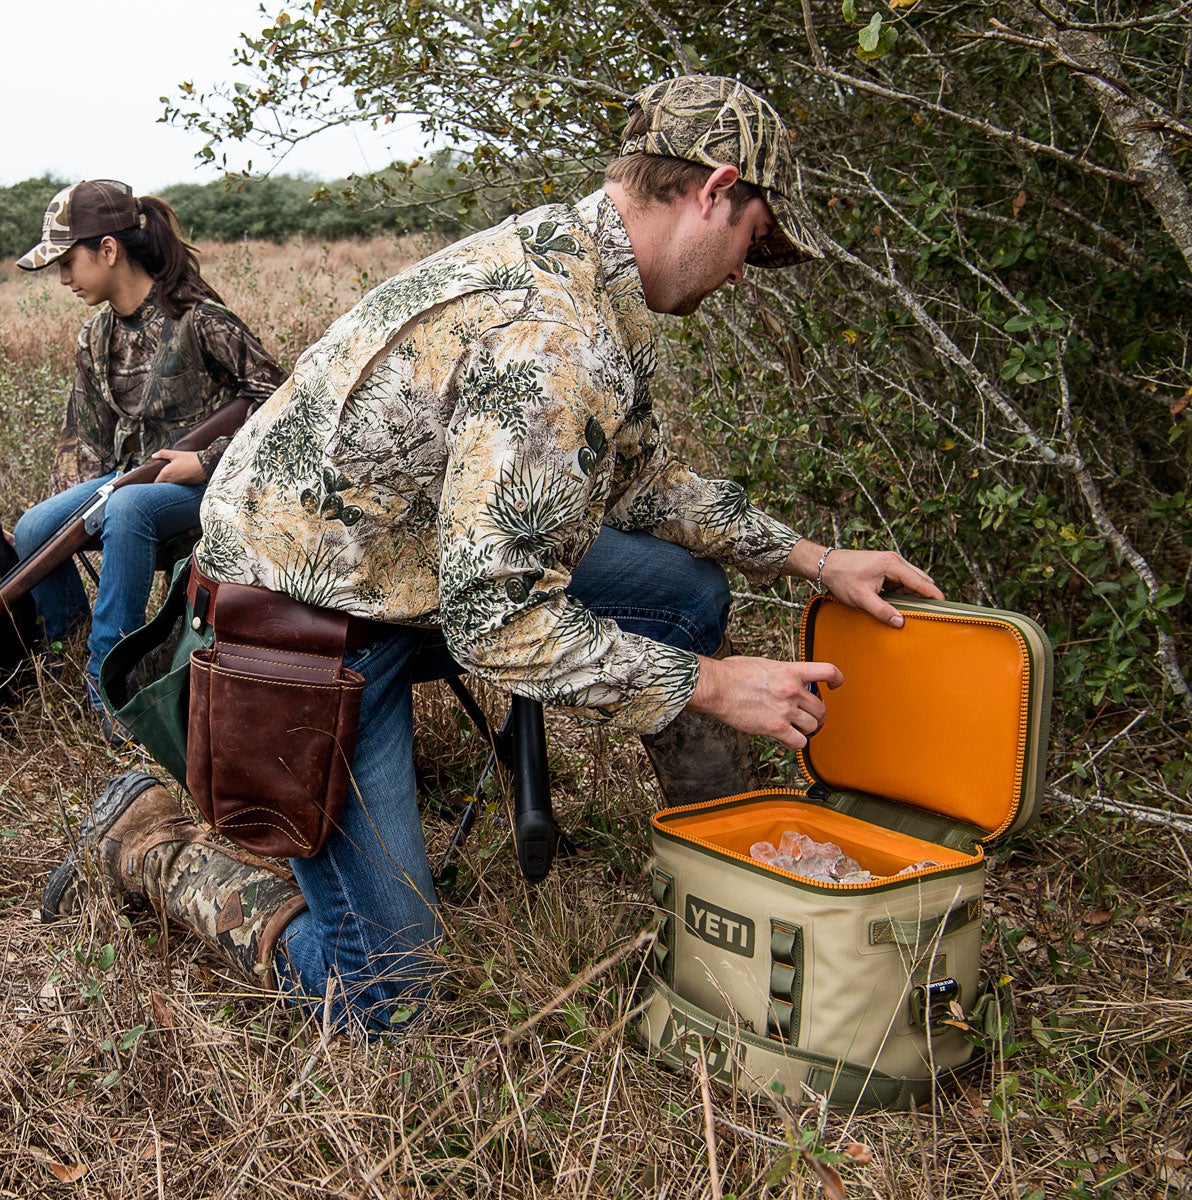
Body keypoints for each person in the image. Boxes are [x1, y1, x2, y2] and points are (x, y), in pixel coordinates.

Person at [49, 77, 945, 1031]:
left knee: (681, 592)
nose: (741, 274)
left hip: (416, 560)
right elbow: (498, 628)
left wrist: (817, 560)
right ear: (715, 192)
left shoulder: (594, 274)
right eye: (753, 245)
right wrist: (718, 687)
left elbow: (638, 485)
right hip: (301, 619)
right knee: (391, 998)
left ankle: (723, 862)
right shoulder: (552, 337)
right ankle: (149, 839)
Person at [10, 180, 286, 739]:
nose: (63, 278)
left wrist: (206, 462)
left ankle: (108, 683)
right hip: (131, 482)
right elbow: (80, 442)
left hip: (212, 485)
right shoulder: (96, 336)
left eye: (68, 262)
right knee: (36, 527)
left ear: (107, 250)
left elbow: (282, 402)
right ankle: (75, 647)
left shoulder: (200, 319)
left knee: (129, 509)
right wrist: (77, 513)